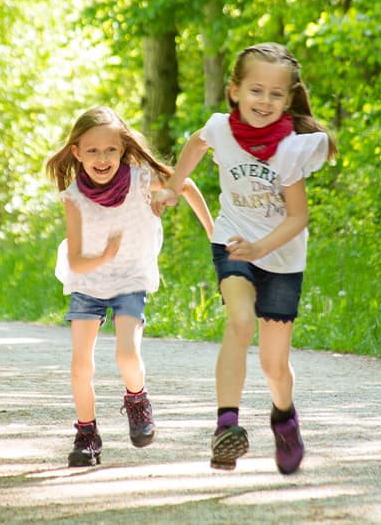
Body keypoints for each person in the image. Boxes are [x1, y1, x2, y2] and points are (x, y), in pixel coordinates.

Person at [152, 42, 337, 475]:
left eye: (276, 95)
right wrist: (174, 187)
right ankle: (226, 427)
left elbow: (298, 217)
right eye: (256, 90)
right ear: (234, 90)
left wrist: (263, 248)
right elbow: (195, 146)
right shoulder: (220, 128)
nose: (265, 101)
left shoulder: (290, 149)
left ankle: (284, 417)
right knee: (239, 320)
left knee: (275, 365)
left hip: (283, 258)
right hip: (233, 241)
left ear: (288, 100)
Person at [45, 106, 213, 467]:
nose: (102, 158)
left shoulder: (140, 179)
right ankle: (87, 435)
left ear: (122, 150)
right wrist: (103, 256)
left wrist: (214, 234)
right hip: (88, 281)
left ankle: (137, 400)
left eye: (111, 150)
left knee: (126, 354)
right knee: (79, 366)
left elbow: (186, 185)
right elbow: (74, 260)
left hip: (130, 279)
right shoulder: (74, 197)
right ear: (76, 152)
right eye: (92, 151)